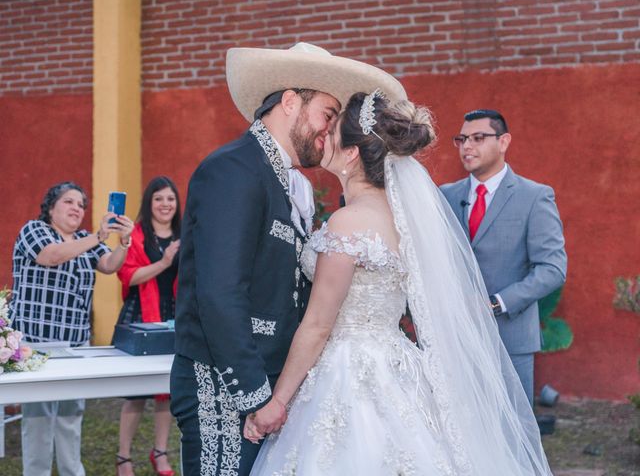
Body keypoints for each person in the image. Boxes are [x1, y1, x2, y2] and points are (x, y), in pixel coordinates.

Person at [245, 91, 553, 475]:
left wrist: (277, 402)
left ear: (353, 153)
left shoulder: (348, 223)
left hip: (347, 370)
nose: (324, 135)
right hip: (397, 364)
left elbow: (319, 324)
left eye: (333, 130)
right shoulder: (404, 220)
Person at [169, 42, 406, 476]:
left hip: (274, 385)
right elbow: (220, 294)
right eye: (328, 115)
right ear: (291, 102)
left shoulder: (286, 181)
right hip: (226, 387)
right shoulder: (235, 169)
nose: (329, 131)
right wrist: (256, 397)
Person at [440, 109, 567, 405]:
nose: (467, 146)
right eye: (461, 139)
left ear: (504, 141)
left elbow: (552, 268)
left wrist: (498, 303)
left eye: (478, 138)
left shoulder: (535, 196)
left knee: (515, 436)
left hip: (511, 338)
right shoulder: (443, 195)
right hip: (456, 338)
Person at [8, 181, 133, 476]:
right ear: (51, 208)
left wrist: (123, 242)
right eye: (69, 202)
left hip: (75, 346)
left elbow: (109, 264)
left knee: (70, 417)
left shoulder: (84, 239)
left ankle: (71, 471)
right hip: (34, 345)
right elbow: (52, 256)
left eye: (81, 205)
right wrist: (98, 235)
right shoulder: (34, 231)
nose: (77, 208)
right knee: (38, 419)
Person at [115, 176, 181, 476]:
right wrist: (165, 262)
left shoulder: (185, 235)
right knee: (135, 394)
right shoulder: (137, 236)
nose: (165, 204)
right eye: (159, 199)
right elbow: (128, 276)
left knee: (166, 391)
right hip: (140, 315)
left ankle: (161, 452)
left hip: (174, 315)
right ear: (149, 203)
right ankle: (124, 458)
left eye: (170, 198)